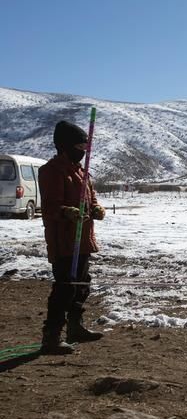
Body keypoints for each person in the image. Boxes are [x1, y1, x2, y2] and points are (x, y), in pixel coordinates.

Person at [38, 120, 105, 354]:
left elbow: (91, 198)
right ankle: (52, 336)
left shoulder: (82, 172)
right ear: (65, 146)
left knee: (81, 285)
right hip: (64, 241)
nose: (83, 152)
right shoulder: (51, 171)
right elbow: (48, 207)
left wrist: (96, 209)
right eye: (79, 147)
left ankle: (75, 327)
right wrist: (67, 212)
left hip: (83, 238)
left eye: (85, 148)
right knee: (65, 288)